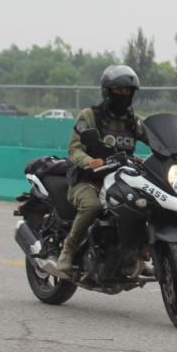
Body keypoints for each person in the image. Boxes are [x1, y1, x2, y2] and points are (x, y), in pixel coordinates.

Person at [48, 64, 145, 278]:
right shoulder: (90, 116)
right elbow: (74, 148)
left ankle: (135, 253)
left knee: (141, 205)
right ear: (108, 91)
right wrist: (90, 162)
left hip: (120, 179)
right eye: (119, 90)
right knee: (92, 206)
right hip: (87, 179)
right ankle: (68, 249)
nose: (124, 95)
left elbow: (156, 138)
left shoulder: (133, 121)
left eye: (128, 91)